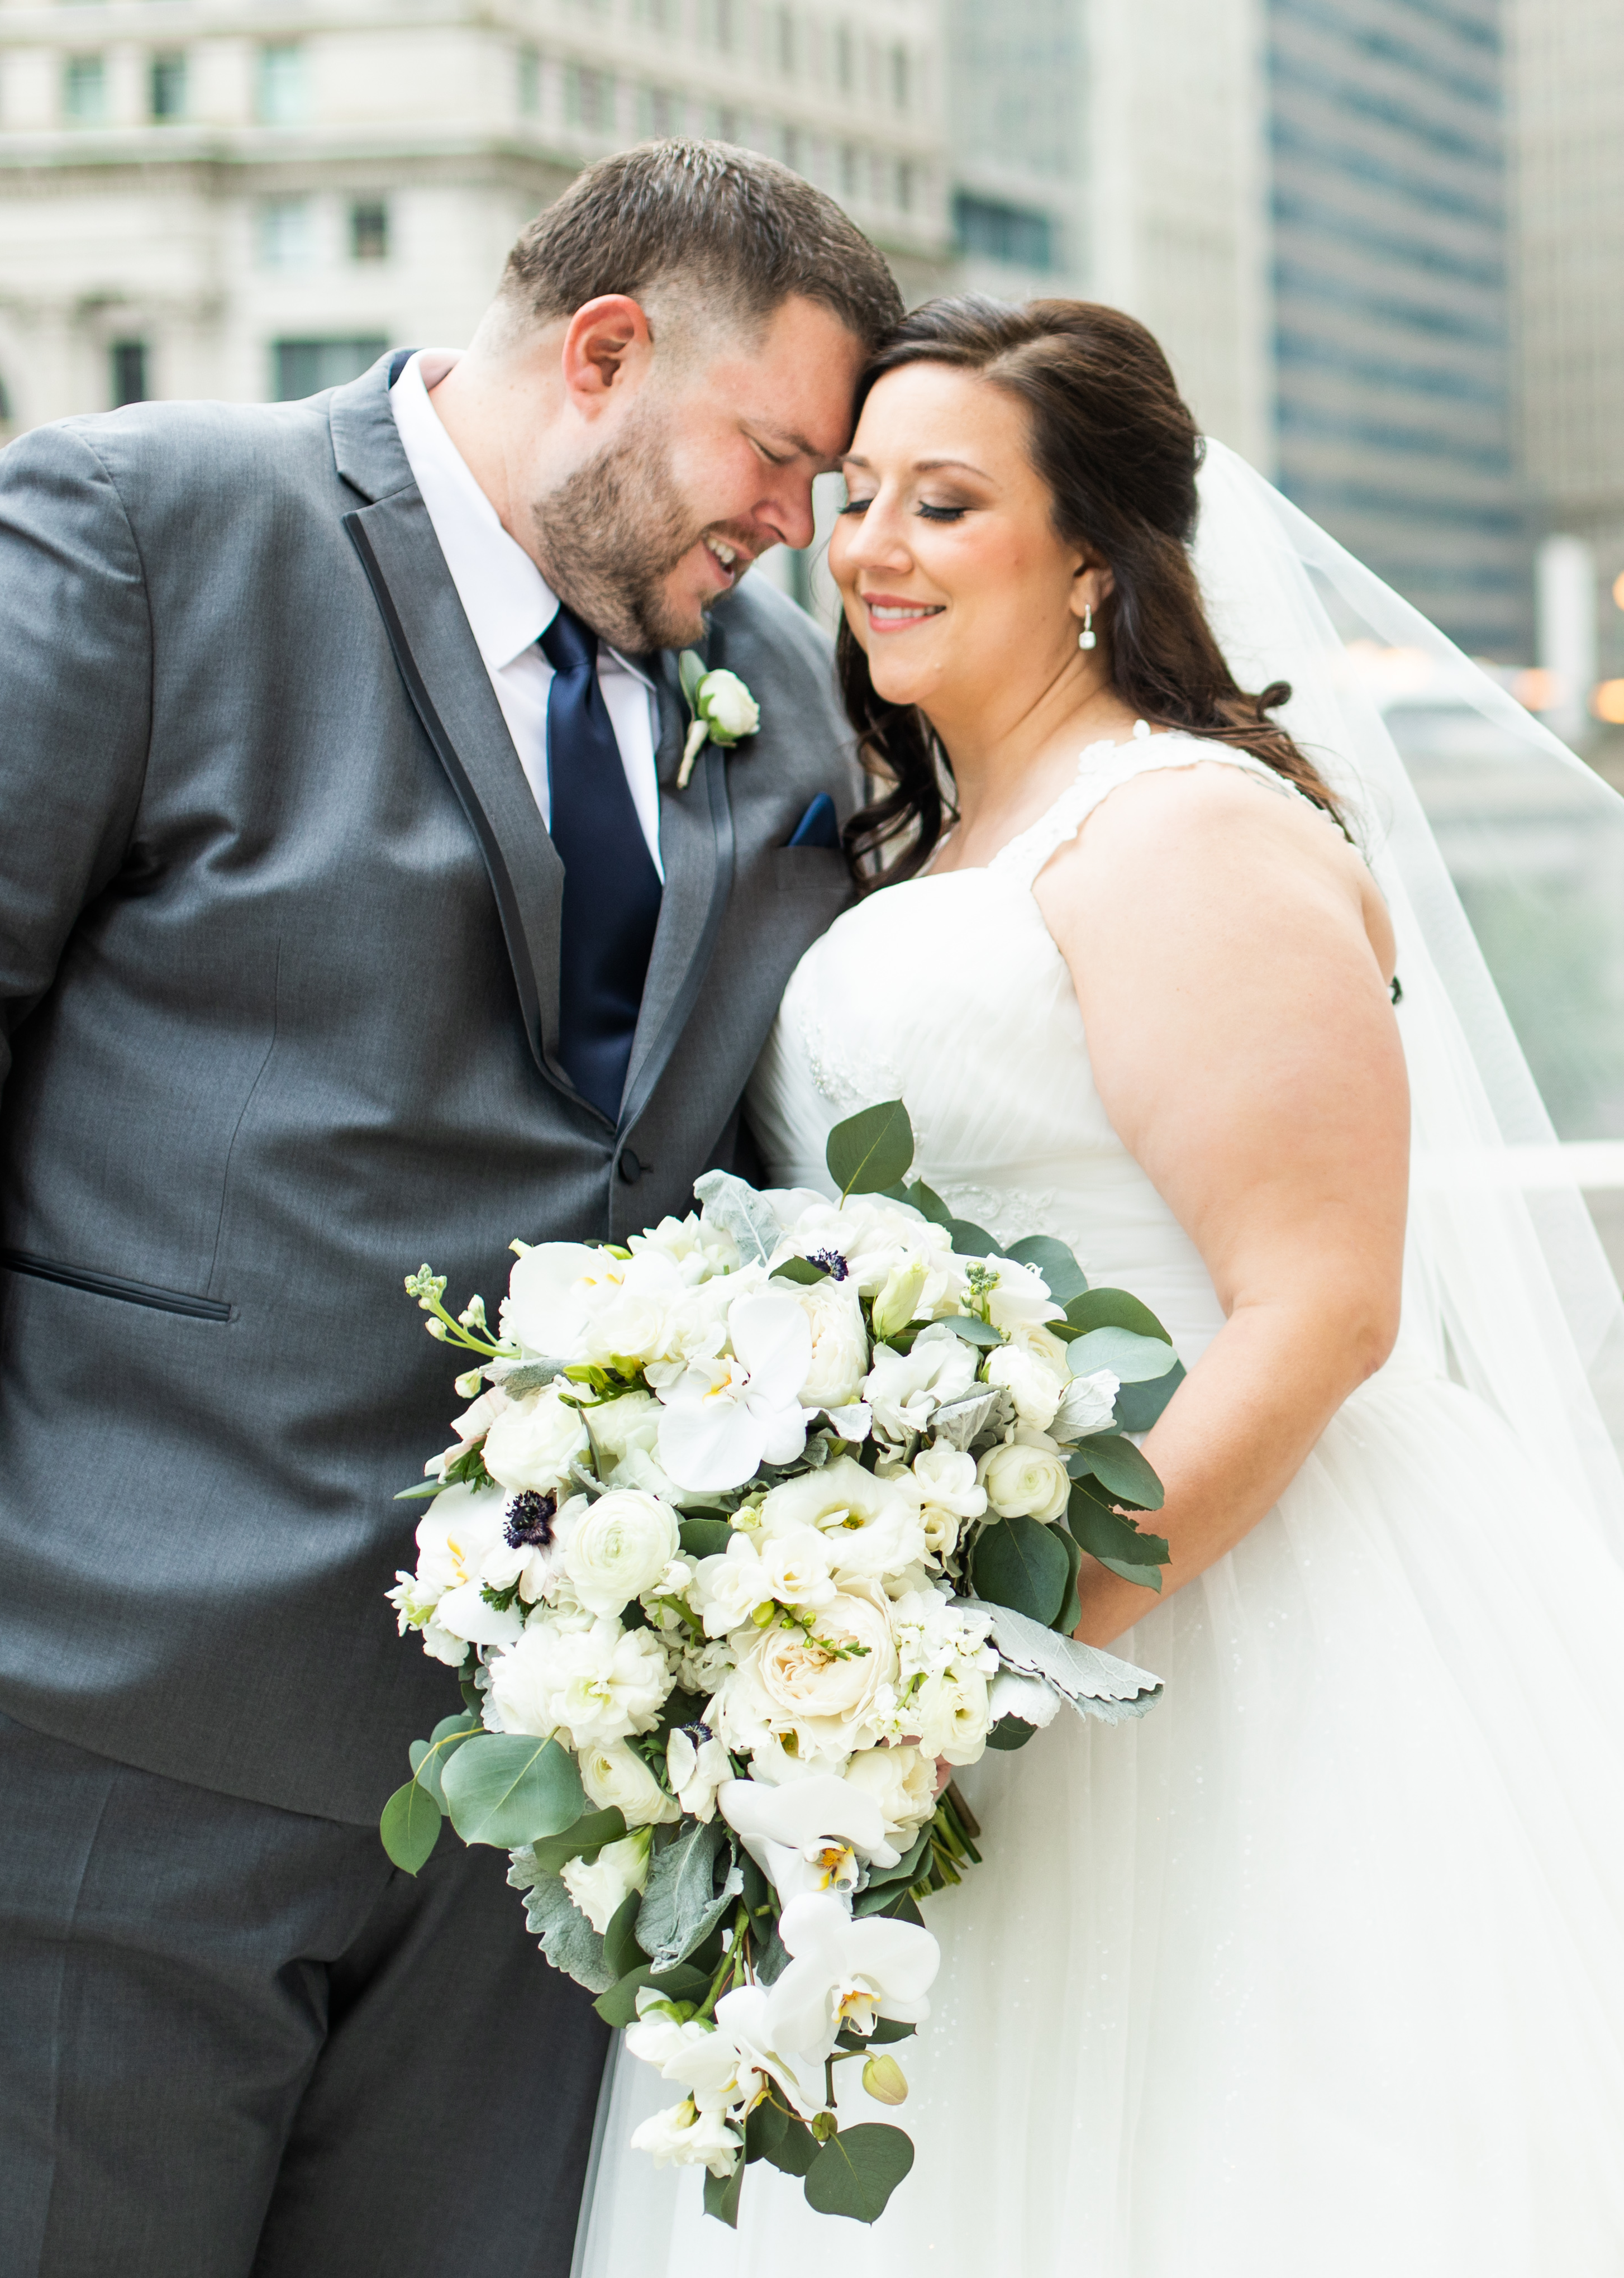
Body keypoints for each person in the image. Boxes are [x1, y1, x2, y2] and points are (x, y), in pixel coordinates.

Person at [577, 298, 1624, 2275]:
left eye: (946, 502)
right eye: (855, 492)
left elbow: (1322, 1306)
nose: (868, 544)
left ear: (1091, 556)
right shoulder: (951, 839)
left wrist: (997, 1663)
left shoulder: (1187, 827)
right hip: (934, 1616)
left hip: (1212, 1621)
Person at [0, 141, 901, 2278]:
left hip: (540, 1817)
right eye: (779, 457)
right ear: (602, 354)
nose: (801, 524)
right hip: (113, 1732)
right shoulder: (148, 525)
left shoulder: (772, 709)